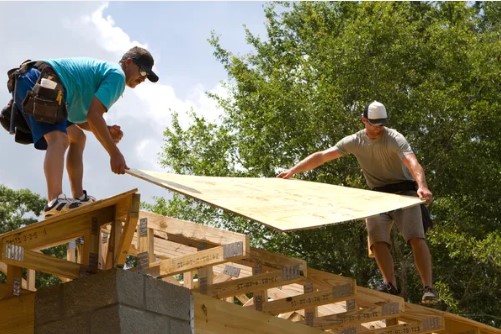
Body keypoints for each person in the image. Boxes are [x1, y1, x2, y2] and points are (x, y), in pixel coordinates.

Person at [277, 101, 437, 304]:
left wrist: (422, 185)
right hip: (377, 196)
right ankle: (391, 285)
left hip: (405, 191)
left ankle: (428, 288)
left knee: (416, 238)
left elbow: (412, 162)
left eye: (381, 124)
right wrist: (293, 170)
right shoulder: (355, 141)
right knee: (377, 240)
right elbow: (323, 156)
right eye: (374, 124)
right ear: (364, 121)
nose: (378, 128)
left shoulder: (394, 138)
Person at [12, 46, 159, 217]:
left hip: (33, 80)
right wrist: (114, 153)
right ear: (128, 62)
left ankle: (79, 197)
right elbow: (95, 115)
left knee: (78, 138)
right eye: (142, 72)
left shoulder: (103, 76)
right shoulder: (118, 76)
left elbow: (82, 120)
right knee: (59, 139)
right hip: (44, 79)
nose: (143, 79)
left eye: (146, 77)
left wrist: (107, 130)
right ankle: (54, 201)